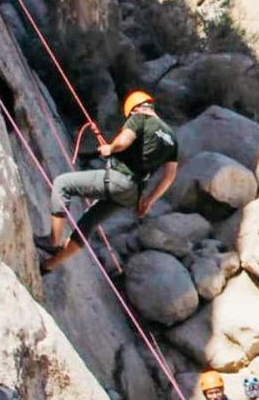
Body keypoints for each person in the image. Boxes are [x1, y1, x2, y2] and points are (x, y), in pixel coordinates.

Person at [35, 90, 178, 274]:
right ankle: (48, 265)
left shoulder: (140, 118)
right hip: (133, 194)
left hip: (118, 179)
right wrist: (149, 200)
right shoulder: (171, 137)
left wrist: (110, 148)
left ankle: (53, 241)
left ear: (134, 109)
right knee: (89, 222)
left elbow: (125, 141)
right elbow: (169, 175)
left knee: (63, 184)